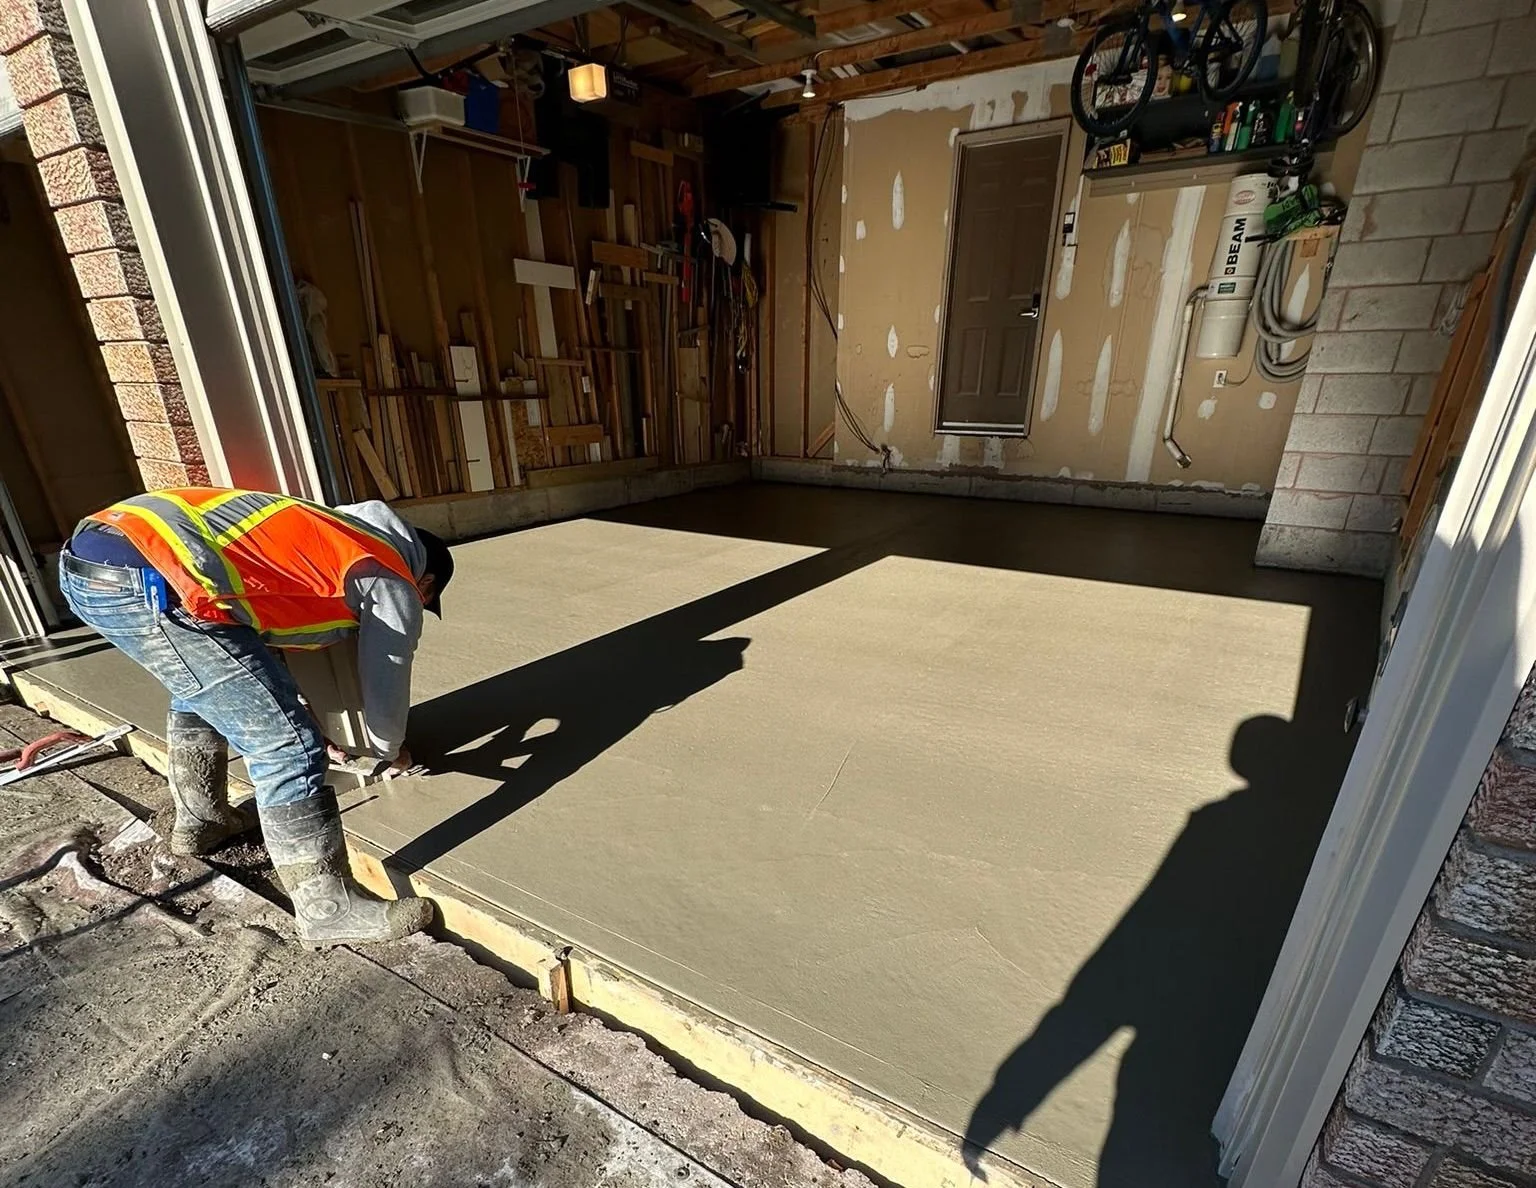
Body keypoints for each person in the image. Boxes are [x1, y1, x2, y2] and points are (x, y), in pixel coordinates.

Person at [57, 487, 455, 947]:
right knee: (289, 746)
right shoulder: (391, 580)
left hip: (98, 555)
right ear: (424, 585)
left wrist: (297, 703)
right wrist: (387, 751)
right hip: (150, 581)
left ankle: (201, 821)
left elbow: (265, 642)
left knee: (201, 686)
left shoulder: (335, 530)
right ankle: (327, 911)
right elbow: (386, 679)